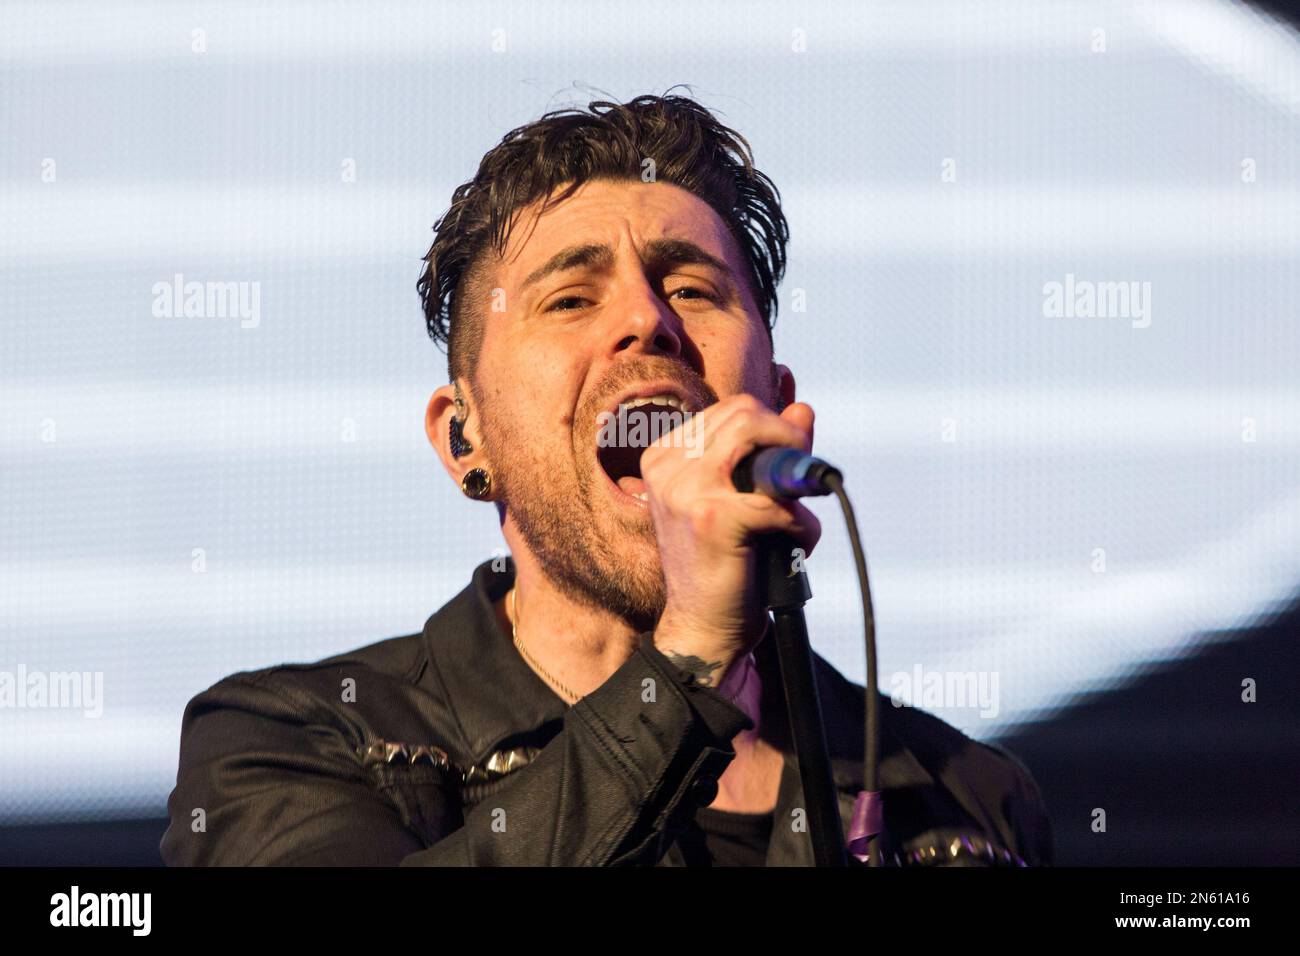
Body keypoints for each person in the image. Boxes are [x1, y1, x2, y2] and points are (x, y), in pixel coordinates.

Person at [161, 92, 1053, 867]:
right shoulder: (299, 742)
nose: (647, 320)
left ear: (776, 403)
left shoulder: (965, 808)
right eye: (572, 299)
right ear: (465, 438)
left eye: (694, 289)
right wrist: (688, 666)